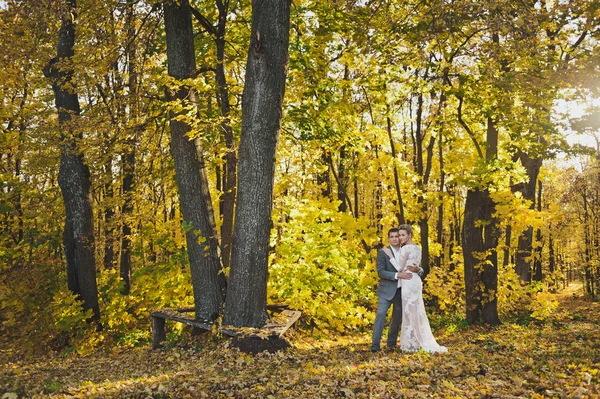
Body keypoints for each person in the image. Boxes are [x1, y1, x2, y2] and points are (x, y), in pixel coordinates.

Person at [385, 224, 447, 353]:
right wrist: (418, 269)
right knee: (417, 310)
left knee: (409, 312)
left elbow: (399, 268)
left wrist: (390, 257)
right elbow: (416, 265)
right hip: (416, 281)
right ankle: (416, 341)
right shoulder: (418, 248)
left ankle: (411, 344)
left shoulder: (405, 249)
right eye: (399, 235)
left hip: (408, 281)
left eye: (403, 235)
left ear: (409, 235)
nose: (400, 238)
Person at [370, 228, 422, 352]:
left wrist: (419, 270)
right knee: (380, 315)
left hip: (402, 290)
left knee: (396, 319)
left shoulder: (406, 250)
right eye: (391, 237)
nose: (394, 239)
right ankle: (375, 346)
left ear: (400, 237)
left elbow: (416, 267)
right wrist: (397, 275)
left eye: (396, 236)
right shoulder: (384, 252)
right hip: (386, 290)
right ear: (388, 238)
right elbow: (381, 272)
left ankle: (391, 344)